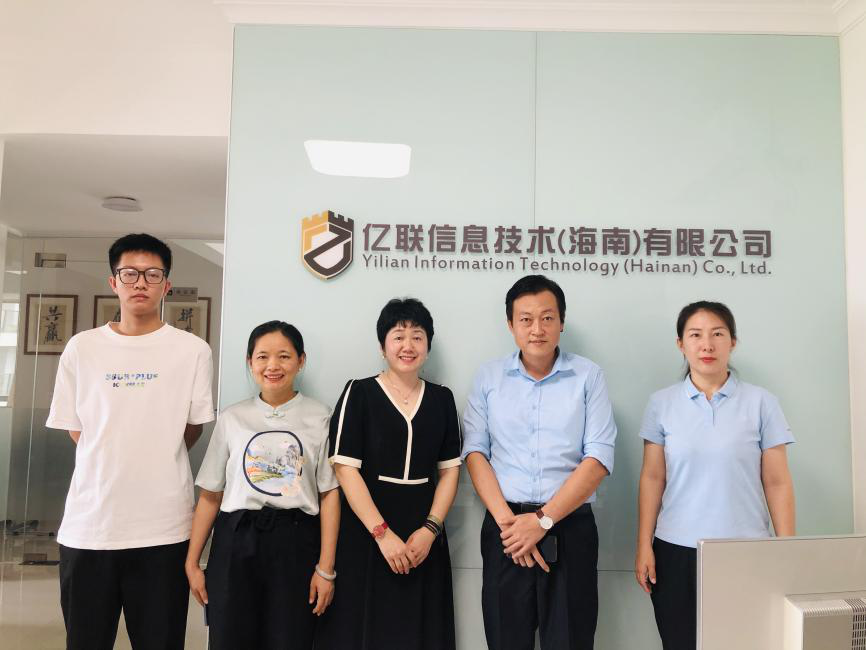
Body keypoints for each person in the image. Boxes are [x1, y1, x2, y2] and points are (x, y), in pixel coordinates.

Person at [46, 233, 214, 650]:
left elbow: (192, 427)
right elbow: (76, 428)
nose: (141, 282)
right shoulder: (82, 348)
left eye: (152, 274)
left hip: (164, 530)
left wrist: (154, 450)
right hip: (90, 527)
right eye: (130, 273)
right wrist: (112, 452)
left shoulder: (192, 351)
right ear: (113, 281)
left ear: (166, 285)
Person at [462, 274, 617, 650]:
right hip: (505, 529)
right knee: (506, 638)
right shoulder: (489, 377)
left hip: (569, 526)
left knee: (570, 639)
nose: (537, 329)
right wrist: (513, 527)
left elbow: (598, 458)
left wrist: (542, 521)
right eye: (526, 319)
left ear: (562, 322)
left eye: (547, 318)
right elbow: (475, 452)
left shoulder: (588, 376)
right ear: (510, 324)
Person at [634, 300, 796, 650]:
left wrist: (787, 552)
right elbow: (652, 478)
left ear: (732, 342)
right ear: (681, 344)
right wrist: (644, 545)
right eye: (695, 335)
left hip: (746, 550)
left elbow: (777, 482)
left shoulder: (762, 402)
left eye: (717, 334)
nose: (706, 345)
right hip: (675, 550)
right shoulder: (661, 404)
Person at [317, 298, 461, 650]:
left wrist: (430, 530)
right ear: (383, 346)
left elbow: (450, 472)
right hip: (368, 532)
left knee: (421, 631)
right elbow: (345, 469)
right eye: (398, 336)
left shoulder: (442, 399)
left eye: (417, 336)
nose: (408, 345)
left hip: (422, 536)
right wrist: (382, 535)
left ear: (428, 346)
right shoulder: (359, 392)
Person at [187, 320, 340, 650]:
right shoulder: (232, 418)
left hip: (296, 542)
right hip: (236, 540)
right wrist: (192, 561)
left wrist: (326, 568)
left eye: (284, 356)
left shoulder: (321, 416)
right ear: (250, 362)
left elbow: (329, 494)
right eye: (262, 357)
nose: (273, 366)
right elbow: (211, 495)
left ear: (301, 360)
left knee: (291, 638)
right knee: (230, 638)